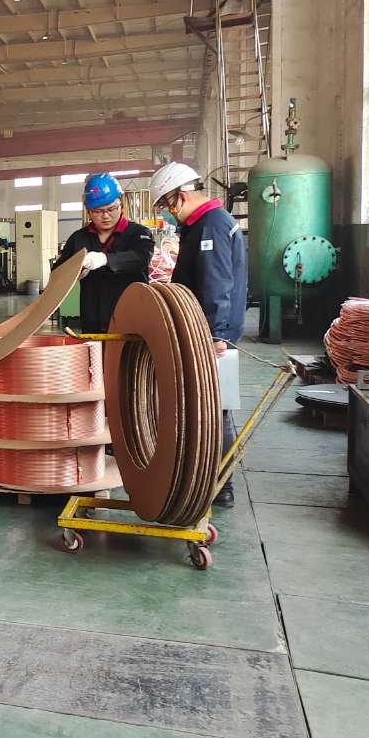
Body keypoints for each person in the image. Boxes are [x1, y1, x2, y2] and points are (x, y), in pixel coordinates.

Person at [150, 160, 248, 507]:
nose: (168, 212)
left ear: (181, 195)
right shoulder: (199, 226)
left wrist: (216, 335)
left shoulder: (211, 226)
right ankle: (205, 478)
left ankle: (222, 487)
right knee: (202, 407)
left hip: (212, 337)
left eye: (167, 204)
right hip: (203, 332)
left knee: (216, 410)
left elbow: (217, 285)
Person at [55, 173, 154, 333]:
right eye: (98, 211)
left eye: (111, 209)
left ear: (121, 204)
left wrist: (105, 259)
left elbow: (141, 258)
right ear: (88, 211)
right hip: (92, 320)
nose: (106, 216)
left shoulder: (138, 233)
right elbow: (57, 272)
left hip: (130, 319)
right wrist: (74, 271)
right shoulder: (79, 238)